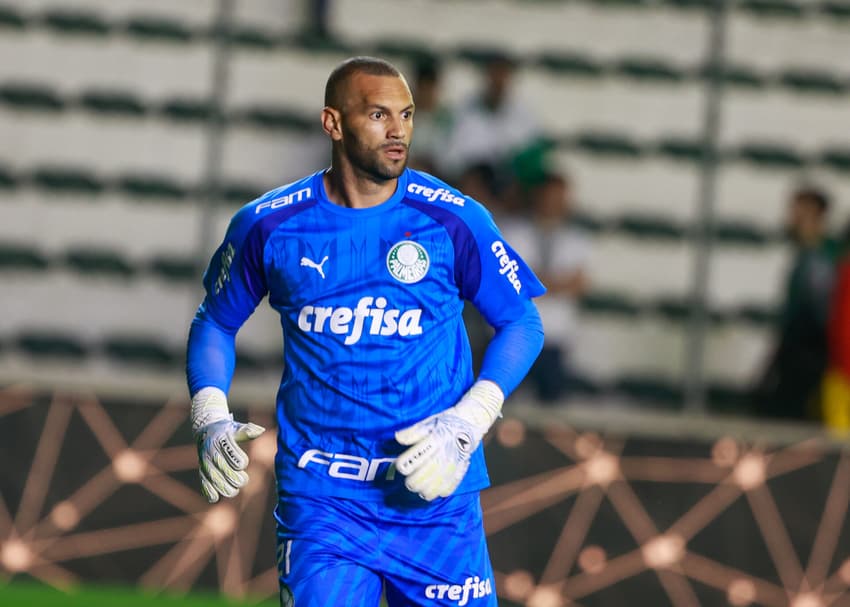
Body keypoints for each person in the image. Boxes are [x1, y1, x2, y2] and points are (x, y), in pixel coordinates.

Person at [185, 56, 545, 606]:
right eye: (379, 114)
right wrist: (209, 414)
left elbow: (522, 321)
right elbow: (215, 320)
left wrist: (469, 421)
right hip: (322, 502)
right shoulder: (269, 223)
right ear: (333, 123)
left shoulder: (455, 219)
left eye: (406, 114)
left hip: (435, 497)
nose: (398, 129)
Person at [502, 172, 591, 402]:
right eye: (550, 196)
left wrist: (536, 282)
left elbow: (580, 285)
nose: (555, 203)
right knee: (504, 405)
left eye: (560, 197)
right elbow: (510, 281)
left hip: (556, 337)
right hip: (515, 334)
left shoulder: (577, 239)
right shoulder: (512, 231)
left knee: (553, 410)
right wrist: (559, 283)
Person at [752, 185, 839, 420]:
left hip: (813, 352)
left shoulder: (823, 257)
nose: (791, 217)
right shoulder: (807, 254)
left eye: (797, 211)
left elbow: (819, 312)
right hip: (801, 349)